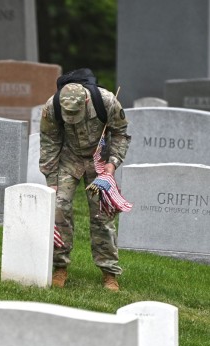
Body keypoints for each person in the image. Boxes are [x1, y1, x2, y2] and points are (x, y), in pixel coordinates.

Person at [39, 81, 131, 291]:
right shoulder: (51, 107)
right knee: (59, 209)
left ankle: (109, 272)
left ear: (87, 100)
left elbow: (120, 132)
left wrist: (112, 163)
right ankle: (59, 267)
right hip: (69, 159)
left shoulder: (106, 101)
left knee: (102, 215)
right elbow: (49, 142)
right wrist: (51, 181)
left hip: (99, 160)